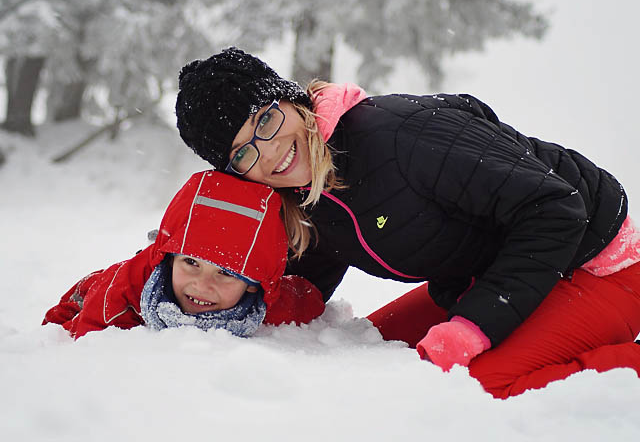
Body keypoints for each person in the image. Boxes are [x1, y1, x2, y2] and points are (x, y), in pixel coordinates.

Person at [174, 47, 640, 398]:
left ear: (291, 100)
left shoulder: (399, 137)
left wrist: (473, 327)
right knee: (366, 352)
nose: (269, 151)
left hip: (595, 263)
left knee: (476, 390)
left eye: (267, 120)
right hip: (491, 275)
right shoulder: (303, 194)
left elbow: (555, 209)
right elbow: (305, 280)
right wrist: (222, 307)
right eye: (243, 152)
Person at [43, 169, 325, 339]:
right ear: (170, 259)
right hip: (87, 296)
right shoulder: (121, 294)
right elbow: (79, 344)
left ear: (254, 285)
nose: (202, 285)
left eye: (225, 273)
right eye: (191, 262)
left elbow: (306, 299)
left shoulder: (263, 303)